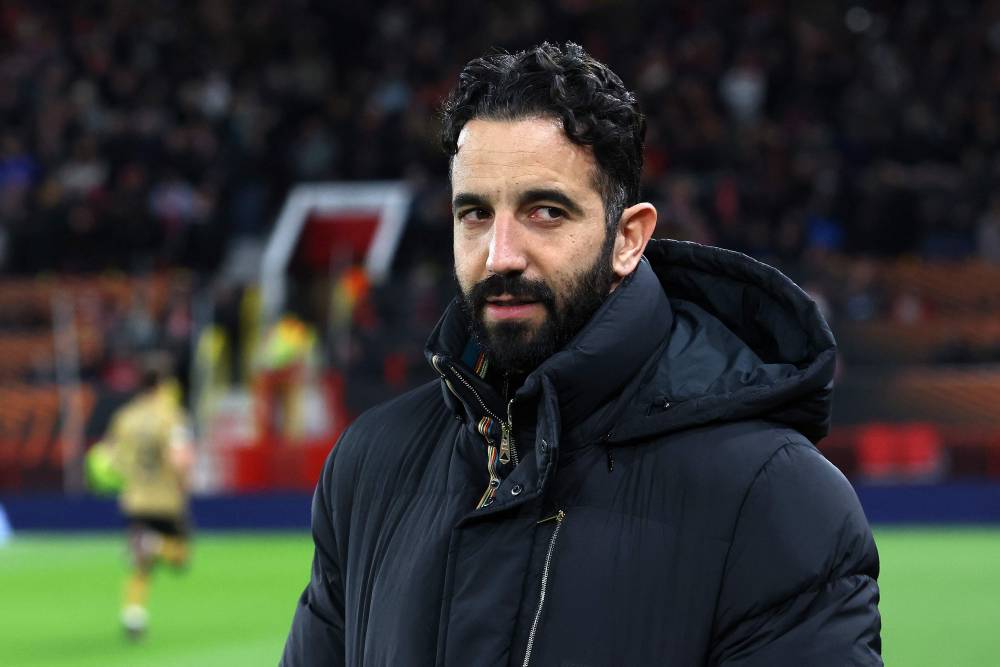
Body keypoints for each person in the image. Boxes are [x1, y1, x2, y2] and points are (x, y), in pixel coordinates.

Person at [282, 42, 881, 666]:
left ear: (628, 238)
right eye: (476, 214)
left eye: (545, 212)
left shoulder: (776, 499)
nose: (501, 254)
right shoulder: (370, 465)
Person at [100, 355, 195, 639]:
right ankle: (154, 544)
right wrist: (184, 483)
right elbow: (180, 459)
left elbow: (108, 458)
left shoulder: (125, 416)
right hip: (165, 498)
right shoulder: (172, 416)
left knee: (140, 565)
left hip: (135, 498)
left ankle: (133, 615)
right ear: (164, 384)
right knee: (180, 558)